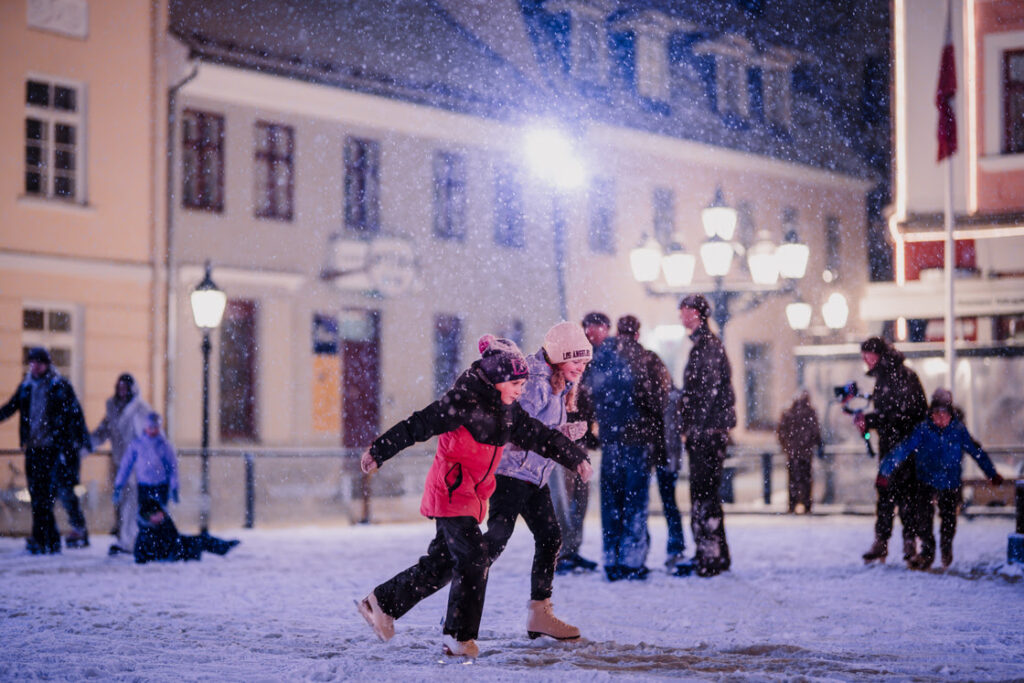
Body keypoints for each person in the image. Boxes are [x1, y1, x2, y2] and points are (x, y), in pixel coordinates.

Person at [355, 335, 592, 659]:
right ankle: (458, 638)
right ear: (497, 380)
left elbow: (540, 435)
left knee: (441, 563)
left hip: (474, 495)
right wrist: (378, 451)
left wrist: (575, 456)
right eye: (516, 383)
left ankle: (381, 603)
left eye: (523, 383)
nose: (521, 390)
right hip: (450, 492)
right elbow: (417, 425)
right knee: (475, 556)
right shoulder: (462, 403)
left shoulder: (508, 412)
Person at [485, 321, 592, 641]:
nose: (581, 368)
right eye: (576, 361)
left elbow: (537, 430)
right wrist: (561, 442)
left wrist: (562, 436)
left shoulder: (557, 380)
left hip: (533, 475)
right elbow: (515, 432)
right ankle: (455, 607)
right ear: (559, 357)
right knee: (492, 544)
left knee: (549, 537)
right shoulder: (536, 381)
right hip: (511, 474)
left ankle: (539, 613)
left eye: (585, 362)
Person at [877, 388, 1004, 569]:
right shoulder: (922, 430)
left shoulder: (959, 431)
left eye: (945, 414)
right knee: (923, 519)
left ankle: (946, 548)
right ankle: (927, 553)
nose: (941, 418)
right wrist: (885, 470)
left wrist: (991, 473)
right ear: (931, 414)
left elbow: (976, 452)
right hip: (926, 480)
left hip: (950, 482)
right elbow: (903, 450)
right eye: (937, 414)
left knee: (949, 520)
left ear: (951, 414)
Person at [586, 315, 667, 581]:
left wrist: (599, 427)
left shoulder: (600, 360)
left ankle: (611, 557)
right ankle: (632, 561)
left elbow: (587, 394)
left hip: (611, 440)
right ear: (637, 333)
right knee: (635, 500)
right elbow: (659, 400)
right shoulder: (647, 359)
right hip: (638, 440)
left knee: (611, 502)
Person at [0, 347, 91, 554]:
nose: (35, 366)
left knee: (45, 496)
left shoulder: (59, 386)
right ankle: (45, 538)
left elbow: (75, 414)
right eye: (32, 362)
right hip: (33, 448)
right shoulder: (27, 387)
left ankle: (44, 538)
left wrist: (80, 442)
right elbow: (10, 407)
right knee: (37, 494)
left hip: (51, 449)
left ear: (47, 364)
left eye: (38, 362)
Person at [853, 336, 927, 564]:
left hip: (904, 449)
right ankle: (886, 542)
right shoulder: (888, 377)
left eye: (868, 355)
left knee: (903, 495)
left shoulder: (900, 377)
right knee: (887, 494)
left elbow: (907, 415)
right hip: (891, 448)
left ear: (879, 355)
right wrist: (872, 421)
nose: (865, 360)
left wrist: (873, 420)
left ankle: (904, 542)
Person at [675, 295, 735, 577]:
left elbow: (707, 392)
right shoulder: (705, 345)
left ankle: (709, 555)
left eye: (684, 311)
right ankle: (715, 553)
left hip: (707, 434)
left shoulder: (707, 347)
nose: (680, 316)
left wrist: (694, 427)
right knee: (707, 494)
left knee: (703, 494)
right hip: (709, 431)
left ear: (697, 313)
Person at [551, 311, 608, 575]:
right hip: (563, 445)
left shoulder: (592, 366)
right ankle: (562, 551)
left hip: (579, 443)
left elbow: (587, 407)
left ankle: (572, 549)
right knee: (564, 499)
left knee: (580, 498)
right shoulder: (562, 370)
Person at [90, 373, 153, 554]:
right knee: (122, 501)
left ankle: (129, 540)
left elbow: (151, 436)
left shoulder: (141, 409)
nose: (122, 392)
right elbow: (102, 433)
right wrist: (82, 449)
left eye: (125, 388)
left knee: (131, 502)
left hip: (137, 465)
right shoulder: (113, 409)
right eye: (120, 388)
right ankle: (126, 538)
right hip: (120, 463)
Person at [133, 496, 239, 564]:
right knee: (197, 542)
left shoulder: (164, 522)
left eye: (160, 513)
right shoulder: (146, 533)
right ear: (149, 516)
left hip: (177, 547)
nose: (161, 516)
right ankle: (222, 547)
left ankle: (223, 547)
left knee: (201, 539)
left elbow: (173, 536)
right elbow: (143, 554)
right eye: (156, 514)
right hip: (174, 552)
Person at [113, 412, 179, 513]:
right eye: (150, 427)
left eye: (155, 427)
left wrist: (174, 486)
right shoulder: (137, 445)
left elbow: (172, 467)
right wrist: (119, 485)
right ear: (145, 427)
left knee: (160, 517)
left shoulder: (164, 446)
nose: (152, 430)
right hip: (144, 487)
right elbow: (126, 466)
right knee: (145, 517)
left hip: (161, 487)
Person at [777, 391, 822, 514]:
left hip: (792, 453)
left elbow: (781, 432)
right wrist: (817, 444)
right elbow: (815, 431)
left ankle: (792, 505)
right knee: (806, 479)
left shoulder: (788, 413)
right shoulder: (810, 413)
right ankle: (806, 505)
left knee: (793, 480)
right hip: (805, 453)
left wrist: (786, 446)